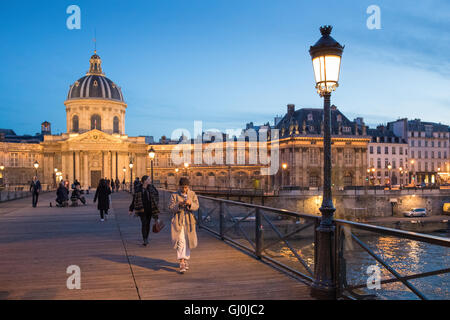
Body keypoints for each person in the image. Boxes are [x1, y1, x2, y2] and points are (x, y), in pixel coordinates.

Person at [168, 177, 199, 274]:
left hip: (189, 221)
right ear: (179, 186)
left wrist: (190, 204)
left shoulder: (192, 194)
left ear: (188, 187)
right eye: (182, 187)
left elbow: (197, 206)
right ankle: (181, 261)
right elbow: (170, 207)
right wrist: (179, 204)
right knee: (180, 240)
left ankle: (185, 260)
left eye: (186, 187)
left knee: (188, 240)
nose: (184, 189)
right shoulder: (174, 195)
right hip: (178, 221)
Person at [129, 176, 161, 246]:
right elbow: (134, 200)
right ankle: (145, 239)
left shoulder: (152, 188)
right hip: (141, 209)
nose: (150, 180)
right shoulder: (138, 189)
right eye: (149, 179)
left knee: (148, 224)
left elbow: (156, 197)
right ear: (144, 181)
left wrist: (156, 205)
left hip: (150, 209)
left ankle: (146, 237)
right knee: (144, 223)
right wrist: (131, 209)